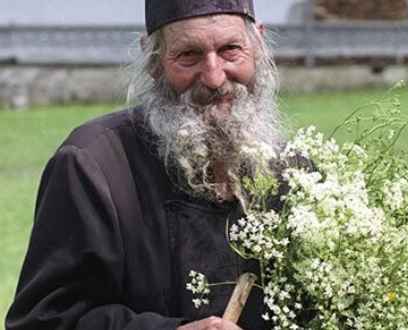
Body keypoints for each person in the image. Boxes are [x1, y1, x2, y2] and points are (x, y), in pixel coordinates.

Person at [5, 1, 284, 329]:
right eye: (188, 55)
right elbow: (43, 321)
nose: (213, 77)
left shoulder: (295, 171)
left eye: (230, 50)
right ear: (154, 61)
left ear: (259, 44)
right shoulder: (93, 166)